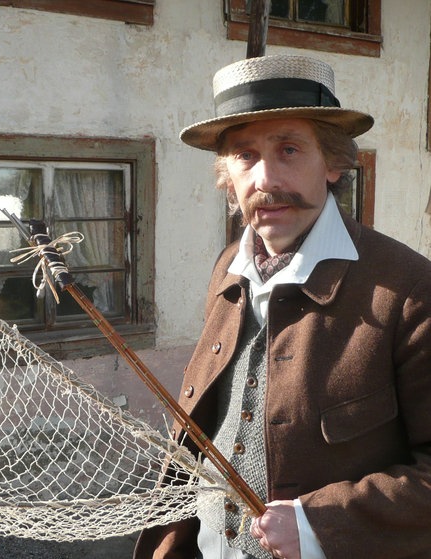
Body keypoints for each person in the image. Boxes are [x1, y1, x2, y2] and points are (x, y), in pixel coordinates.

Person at [134, 54, 431, 559]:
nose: (265, 179)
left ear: (334, 161)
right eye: (245, 155)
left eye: (289, 149)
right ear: (227, 173)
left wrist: (323, 526)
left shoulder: (409, 291)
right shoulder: (228, 267)